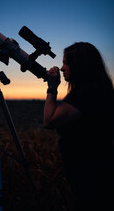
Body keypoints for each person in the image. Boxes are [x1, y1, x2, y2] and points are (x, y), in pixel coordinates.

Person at [44, 42, 114, 211]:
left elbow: (49, 121)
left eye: (66, 63)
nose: (61, 68)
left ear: (79, 66)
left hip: (91, 176)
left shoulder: (85, 95)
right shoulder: (98, 90)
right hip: (100, 171)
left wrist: (52, 89)